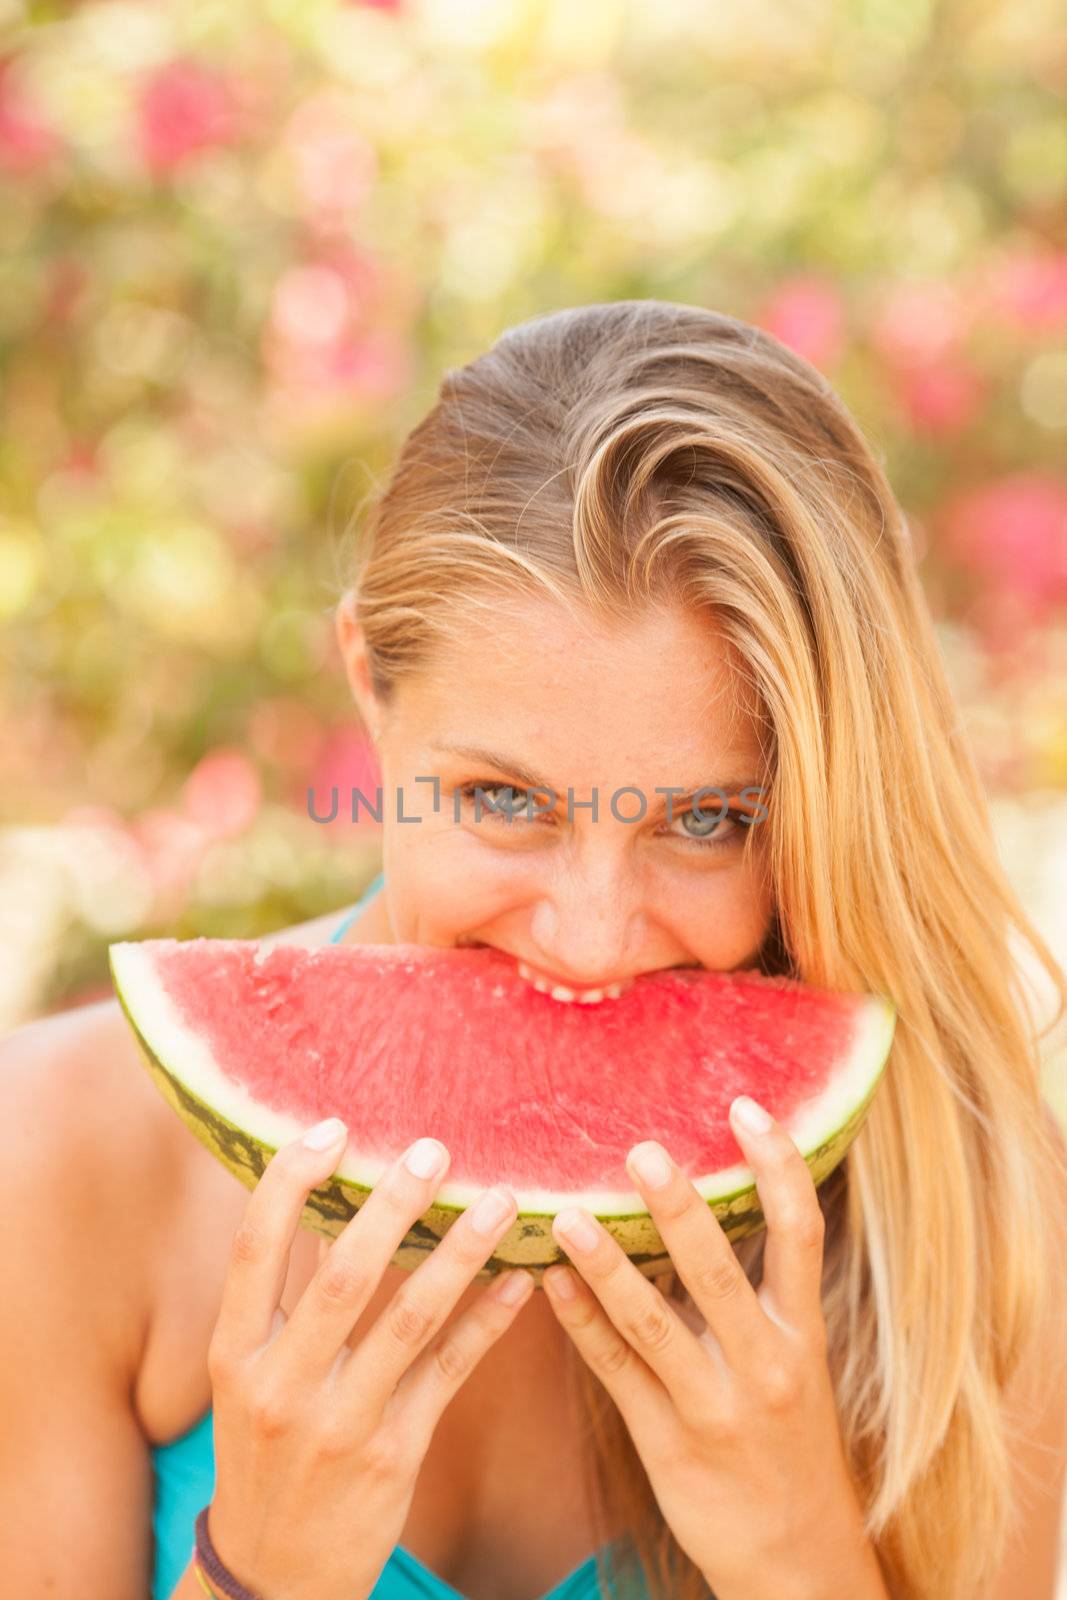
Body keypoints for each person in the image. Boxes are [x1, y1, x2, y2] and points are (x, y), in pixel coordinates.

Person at [2, 300, 1066, 1600]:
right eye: (504, 802)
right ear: (368, 688)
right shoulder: (57, 1158)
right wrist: (256, 1574)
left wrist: (803, 1559)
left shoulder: (973, 1211)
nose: (594, 936)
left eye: (710, 821)